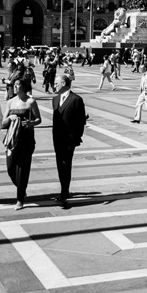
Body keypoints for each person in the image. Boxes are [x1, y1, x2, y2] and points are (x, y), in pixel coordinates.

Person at [3, 78, 41, 210]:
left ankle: (20, 199)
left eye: (18, 85)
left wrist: (31, 123)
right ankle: (21, 187)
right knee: (10, 167)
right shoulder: (10, 102)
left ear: (24, 87)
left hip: (26, 138)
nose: (15, 87)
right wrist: (9, 118)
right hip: (12, 139)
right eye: (14, 85)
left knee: (23, 169)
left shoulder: (31, 102)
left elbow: (38, 119)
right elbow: (3, 123)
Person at [52, 70, 86, 208]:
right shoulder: (55, 99)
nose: (54, 86)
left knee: (66, 164)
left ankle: (64, 191)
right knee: (60, 165)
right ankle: (63, 188)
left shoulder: (76, 99)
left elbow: (81, 121)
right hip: (57, 139)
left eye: (56, 83)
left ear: (64, 83)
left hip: (69, 140)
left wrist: (76, 138)